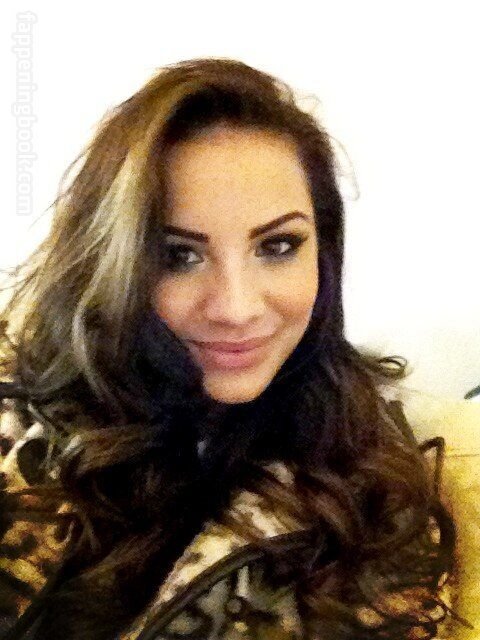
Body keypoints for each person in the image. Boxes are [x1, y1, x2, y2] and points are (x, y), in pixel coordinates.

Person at [0, 57, 478, 640]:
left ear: (323, 253)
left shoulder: (375, 502)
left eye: (277, 246)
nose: (236, 307)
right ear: (111, 263)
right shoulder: (20, 422)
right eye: (178, 255)